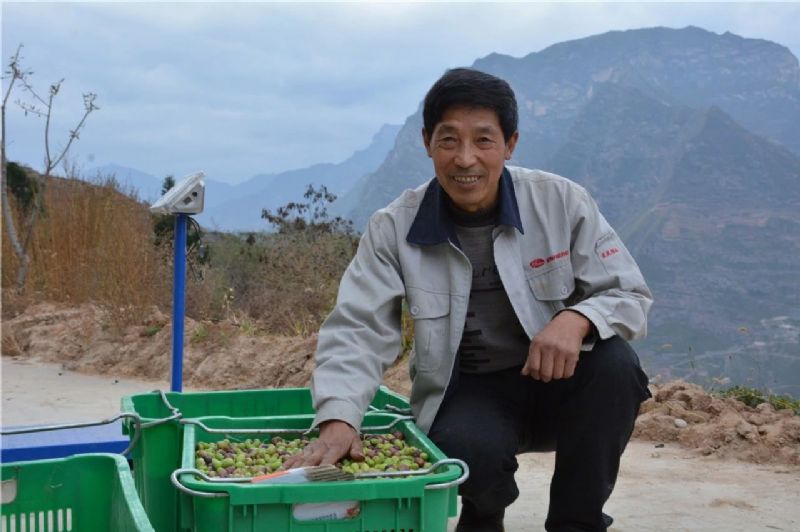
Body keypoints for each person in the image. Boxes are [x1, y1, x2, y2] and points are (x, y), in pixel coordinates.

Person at [283, 68, 653, 532]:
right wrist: (339, 418)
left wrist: (576, 319)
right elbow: (358, 329)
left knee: (616, 367)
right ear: (427, 143)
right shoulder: (393, 228)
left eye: (483, 140)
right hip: (472, 392)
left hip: (560, 383)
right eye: (448, 140)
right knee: (464, 449)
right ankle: (484, 512)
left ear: (510, 144)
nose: (465, 159)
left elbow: (629, 293)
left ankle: (576, 522)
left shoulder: (561, 201)